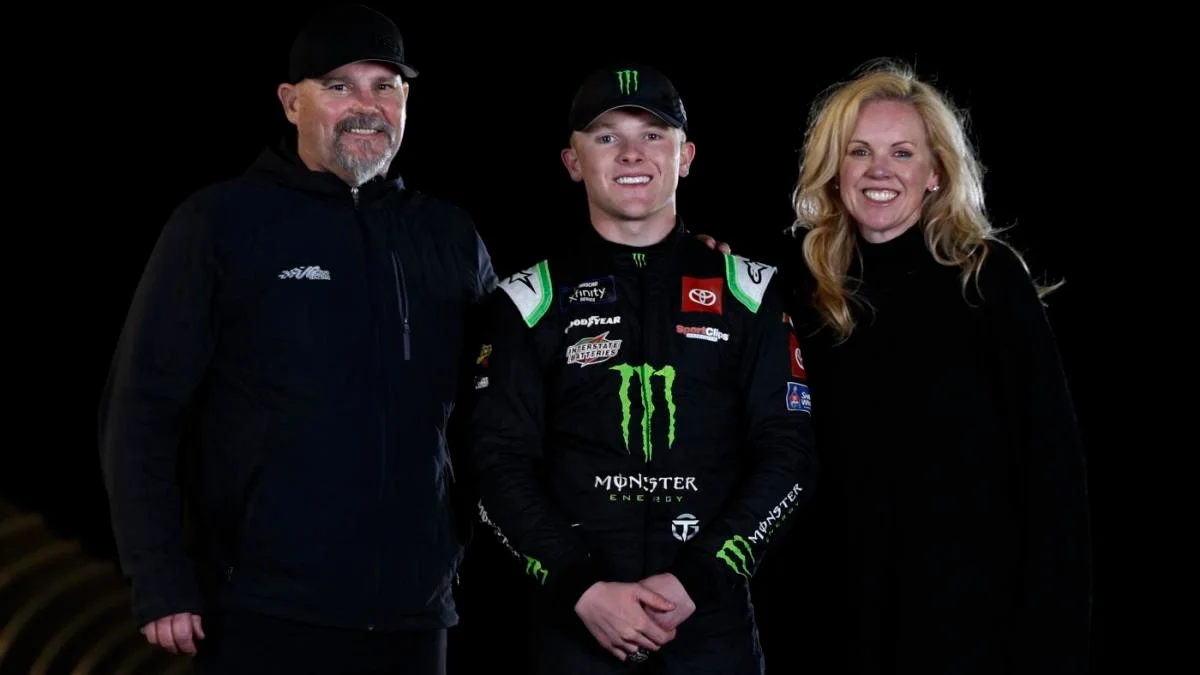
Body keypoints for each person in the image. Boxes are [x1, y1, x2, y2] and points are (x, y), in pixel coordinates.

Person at [96, 4, 496, 673]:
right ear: (291, 103)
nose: (364, 106)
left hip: (413, 612)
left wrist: (675, 263)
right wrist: (159, 578)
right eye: (338, 86)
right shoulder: (221, 223)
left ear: (406, 101)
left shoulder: (450, 237)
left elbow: (515, 388)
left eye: (384, 86)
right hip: (260, 606)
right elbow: (138, 409)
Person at [728, 58, 1091, 674]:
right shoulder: (798, 284)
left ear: (935, 173)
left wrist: (1051, 644)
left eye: (902, 153)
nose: (878, 171)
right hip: (829, 613)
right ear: (834, 169)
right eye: (859, 151)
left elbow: (1052, 472)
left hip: (969, 621)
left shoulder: (988, 278)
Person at [465, 63, 818, 674]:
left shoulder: (751, 290)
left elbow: (790, 453)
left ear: (686, 156)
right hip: (572, 628)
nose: (632, 153)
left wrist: (699, 578)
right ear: (573, 162)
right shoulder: (526, 300)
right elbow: (493, 464)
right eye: (606, 137)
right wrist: (580, 588)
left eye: (654, 134)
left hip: (712, 627)